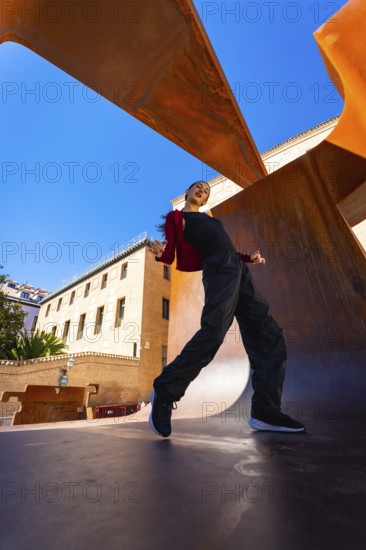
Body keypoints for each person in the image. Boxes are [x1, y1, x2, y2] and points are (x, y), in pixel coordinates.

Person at [148, 180, 305, 437]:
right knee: (214, 333)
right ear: (187, 192)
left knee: (269, 334)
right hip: (218, 270)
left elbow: (226, 248)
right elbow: (171, 251)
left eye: (207, 190)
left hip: (237, 268)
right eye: (198, 187)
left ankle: (265, 411)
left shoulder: (212, 220)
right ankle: (165, 390)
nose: (203, 190)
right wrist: (159, 254)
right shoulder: (178, 218)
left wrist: (247, 259)